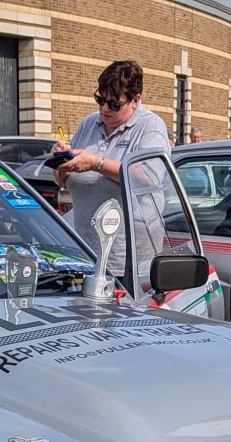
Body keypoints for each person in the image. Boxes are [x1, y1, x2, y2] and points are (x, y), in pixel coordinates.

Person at [52, 60, 170, 279]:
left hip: (127, 260)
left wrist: (96, 164)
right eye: (101, 99)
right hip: (85, 252)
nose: (105, 109)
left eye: (114, 104)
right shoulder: (89, 124)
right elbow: (61, 179)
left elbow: (149, 177)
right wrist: (62, 162)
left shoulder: (150, 126)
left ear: (135, 100)